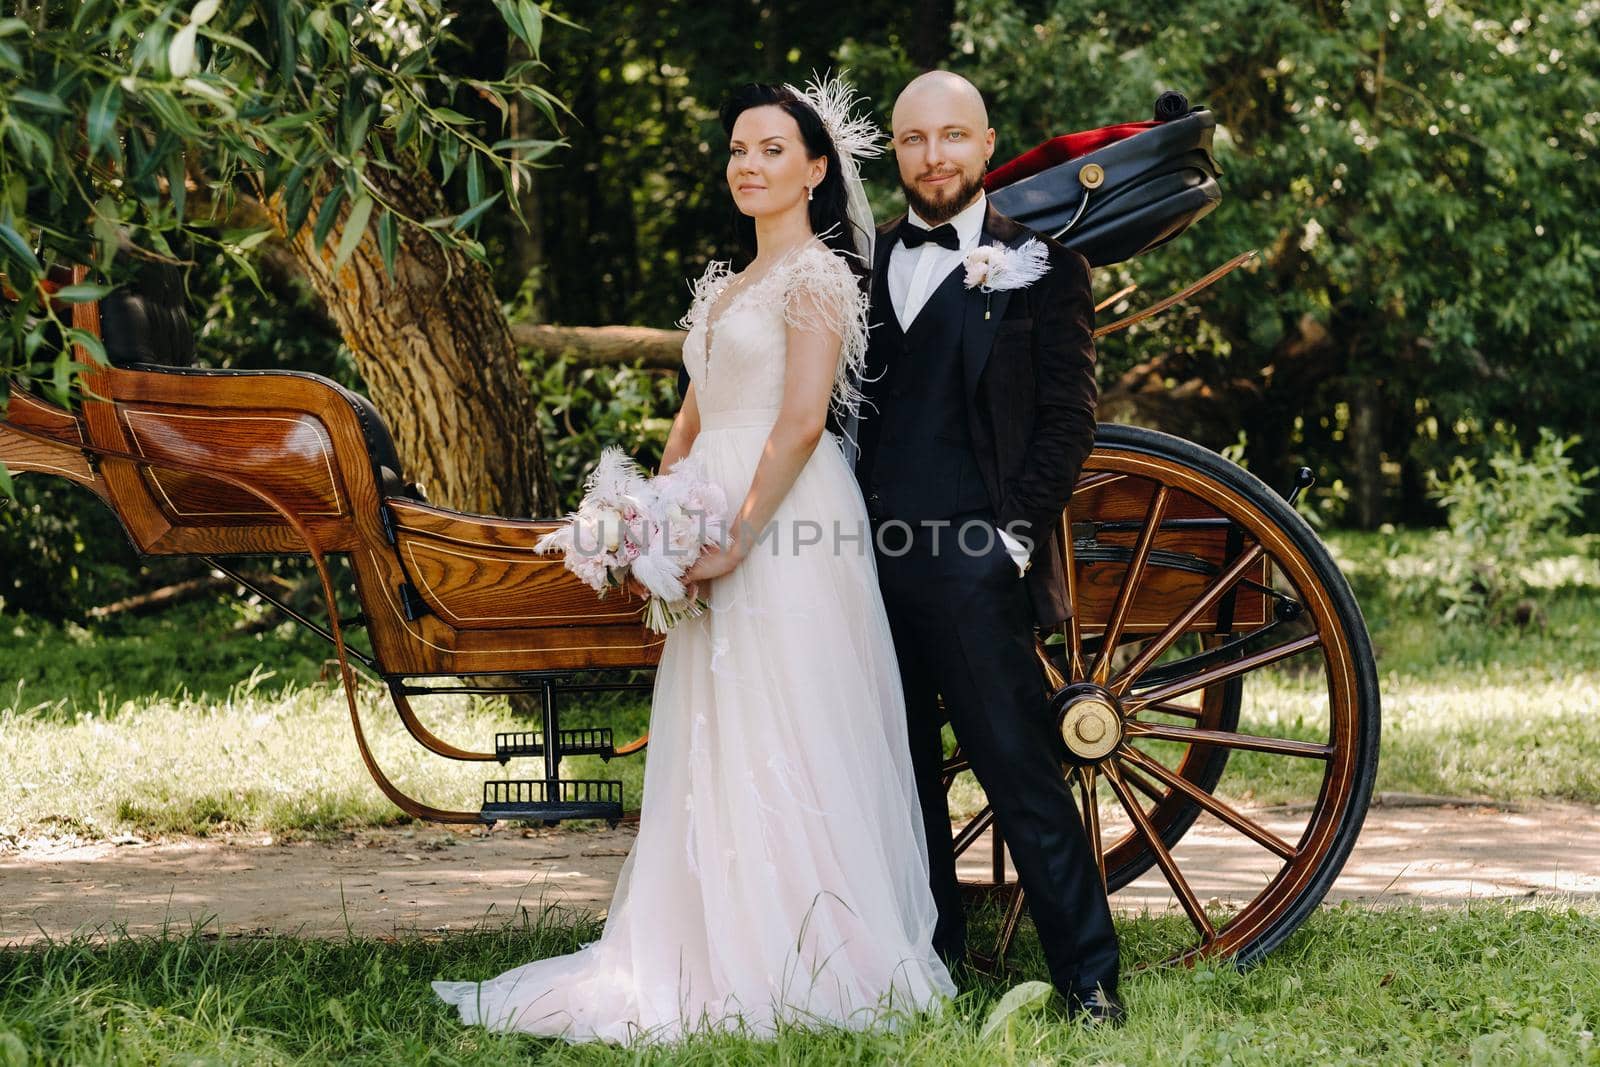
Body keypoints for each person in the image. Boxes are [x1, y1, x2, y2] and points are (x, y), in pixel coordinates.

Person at [431, 74, 956, 1044]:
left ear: (813, 170)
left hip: (784, 523)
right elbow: (694, 413)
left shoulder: (816, 278)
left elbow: (800, 423)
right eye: (736, 150)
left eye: (770, 151)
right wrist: (651, 508)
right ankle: (706, 935)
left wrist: (736, 536)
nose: (748, 166)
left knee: (790, 720)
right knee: (713, 725)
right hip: (708, 515)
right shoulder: (728, 285)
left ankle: (810, 950)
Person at [845, 70, 1124, 1025]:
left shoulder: (1045, 263)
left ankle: (1090, 977)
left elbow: (1067, 420)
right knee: (901, 772)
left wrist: (1009, 541)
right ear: (896, 150)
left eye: (953, 136)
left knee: (1018, 769)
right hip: (866, 563)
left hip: (975, 563)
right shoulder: (856, 267)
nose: (935, 157)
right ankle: (932, 961)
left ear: (987, 142)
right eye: (917, 139)